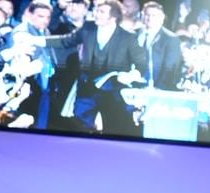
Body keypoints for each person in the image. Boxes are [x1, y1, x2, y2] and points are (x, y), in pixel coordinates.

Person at [35, 0, 147, 135]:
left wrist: (133, 74)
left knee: (113, 130)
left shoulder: (128, 37)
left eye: (101, 12)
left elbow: (141, 63)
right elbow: (65, 41)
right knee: (78, 127)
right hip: (86, 88)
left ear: (113, 17)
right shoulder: (88, 28)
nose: (96, 14)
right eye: (97, 10)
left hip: (113, 92)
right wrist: (37, 40)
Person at [136, 1, 182, 90]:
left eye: (154, 16)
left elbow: (169, 69)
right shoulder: (134, 34)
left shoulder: (171, 39)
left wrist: (158, 88)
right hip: (131, 87)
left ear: (162, 17)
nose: (150, 18)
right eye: (147, 15)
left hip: (155, 89)